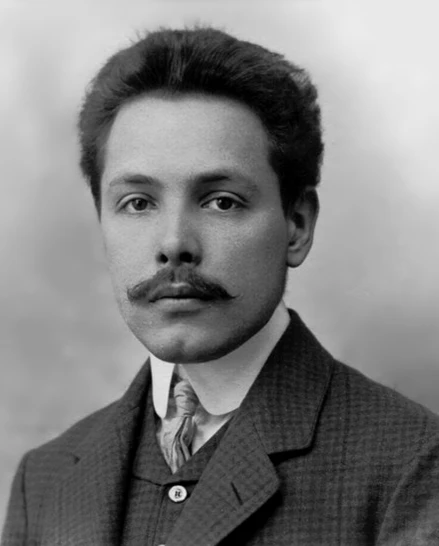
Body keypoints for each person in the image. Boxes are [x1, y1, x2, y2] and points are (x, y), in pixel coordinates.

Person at [2, 26, 439, 546]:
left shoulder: (413, 465)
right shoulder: (43, 480)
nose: (174, 243)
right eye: (138, 203)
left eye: (221, 202)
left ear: (297, 226)